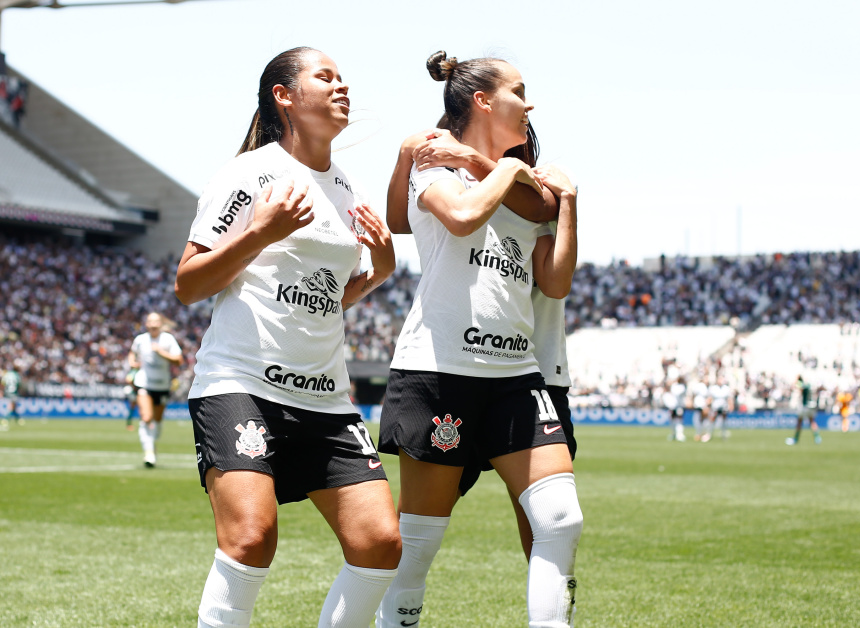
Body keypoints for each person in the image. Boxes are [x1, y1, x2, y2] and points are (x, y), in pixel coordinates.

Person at [174, 47, 401, 628]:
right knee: (252, 538)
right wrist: (261, 233)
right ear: (284, 96)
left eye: (343, 78)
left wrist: (377, 273)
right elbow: (188, 283)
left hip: (324, 397)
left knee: (379, 542)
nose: (341, 86)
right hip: (240, 383)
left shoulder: (345, 186)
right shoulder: (248, 173)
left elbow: (327, 296)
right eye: (325, 77)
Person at [375, 51, 581, 628]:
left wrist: (565, 201)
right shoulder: (436, 162)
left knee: (560, 519)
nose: (531, 102)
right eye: (520, 90)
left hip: (518, 375)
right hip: (441, 370)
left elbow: (556, 281)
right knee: (417, 544)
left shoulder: (525, 188)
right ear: (483, 100)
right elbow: (462, 217)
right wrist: (506, 170)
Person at [127, 312, 183, 466]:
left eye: (156, 321)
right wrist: (132, 363)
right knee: (146, 417)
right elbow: (132, 353)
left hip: (162, 385)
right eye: (150, 321)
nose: (153, 324)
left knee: (157, 422)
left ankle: (152, 443)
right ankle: (149, 453)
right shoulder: (140, 340)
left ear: (161, 324)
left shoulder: (168, 339)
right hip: (144, 383)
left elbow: (178, 360)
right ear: (146, 324)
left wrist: (161, 352)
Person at [786, 375, 822, 445]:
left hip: (804, 406)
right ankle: (817, 438)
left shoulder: (802, 384)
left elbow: (797, 387)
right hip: (811, 406)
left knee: (799, 422)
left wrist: (797, 380)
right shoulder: (809, 385)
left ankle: (796, 438)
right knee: (812, 421)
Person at [123, 366, 139, 430]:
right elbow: (128, 380)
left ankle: (129, 424)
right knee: (134, 407)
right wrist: (134, 385)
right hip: (134, 392)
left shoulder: (135, 371)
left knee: (135, 407)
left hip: (137, 391)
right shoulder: (134, 372)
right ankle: (129, 424)